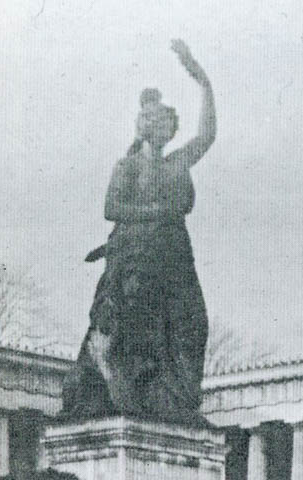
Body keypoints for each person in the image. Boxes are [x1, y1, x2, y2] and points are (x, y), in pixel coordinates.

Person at [61, 39, 215, 423]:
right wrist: (159, 211)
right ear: (143, 126)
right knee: (139, 331)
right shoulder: (127, 166)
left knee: (192, 323)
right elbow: (111, 208)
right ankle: (122, 387)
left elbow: (208, 135)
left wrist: (203, 81)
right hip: (138, 256)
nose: (162, 127)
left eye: (168, 122)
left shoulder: (178, 162)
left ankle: (177, 401)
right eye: (155, 121)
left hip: (175, 256)